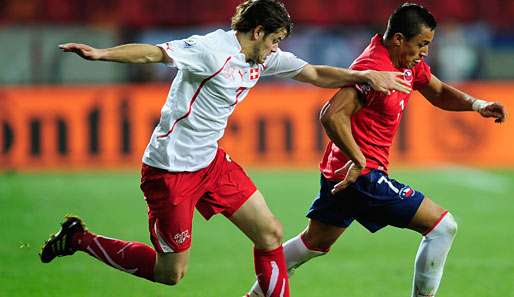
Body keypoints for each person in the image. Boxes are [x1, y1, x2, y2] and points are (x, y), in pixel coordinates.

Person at [39, 1, 411, 296]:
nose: (276, 50)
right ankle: (79, 239)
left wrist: (363, 75)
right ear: (258, 31)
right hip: (170, 170)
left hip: (212, 164)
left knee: (270, 233)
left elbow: (312, 74)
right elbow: (153, 53)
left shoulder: (261, 57)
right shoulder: (210, 50)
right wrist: (102, 54)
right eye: (275, 40)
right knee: (171, 273)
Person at [246, 3, 507, 297]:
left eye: (428, 45)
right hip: (361, 175)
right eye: (422, 44)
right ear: (398, 39)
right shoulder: (373, 69)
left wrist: (477, 104)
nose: (425, 52)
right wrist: (359, 159)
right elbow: (331, 114)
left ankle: (255, 295)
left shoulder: (406, 63)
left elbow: (437, 91)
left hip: (340, 174)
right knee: (442, 227)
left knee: (314, 243)